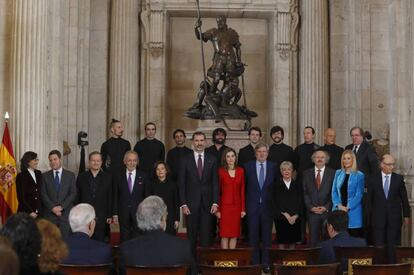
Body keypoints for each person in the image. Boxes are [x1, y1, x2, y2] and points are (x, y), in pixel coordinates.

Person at [120, 196, 196, 275]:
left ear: (139, 218)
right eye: (166, 215)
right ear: (162, 218)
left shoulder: (126, 249)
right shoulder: (183, 247)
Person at [178, 131, 219, 256]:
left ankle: (205, 267)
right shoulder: (185, 160)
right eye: (197, 140)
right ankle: (192, 267)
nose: (199, 143)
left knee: (206, 238)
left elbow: (215, 183)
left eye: (201, 140)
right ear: (192, 142)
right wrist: (183, 204)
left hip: (208, 205)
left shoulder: (212, 159)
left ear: (205, 142)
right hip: (190, 205)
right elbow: (182, 183)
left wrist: (215, 202)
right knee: (191, 237)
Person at [367, 154, 410, 263]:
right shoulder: (373, 179)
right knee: (378, 247)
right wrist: (367, 219)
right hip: (377, 219)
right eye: (388, 164)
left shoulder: (398, 179)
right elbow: (369, 201)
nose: (391, 167)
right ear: (381, 164)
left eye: (393, 164)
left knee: (393, 247)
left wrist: (406, 215)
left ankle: (394, 270)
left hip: (394, 219)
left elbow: (404, 199)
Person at [244, 143, 276, 272]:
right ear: (255, 153)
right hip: (252, 207)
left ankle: (266, 264)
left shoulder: (274, 166)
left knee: (267, 238)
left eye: (264, 151)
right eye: (259, 151)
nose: (262, 154)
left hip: (268, 208)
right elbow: (244, 188)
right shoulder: (247, 166)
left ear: (267, 153)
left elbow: (276, 188)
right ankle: (255, 264)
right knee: (253, 237)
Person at [113, 150, 151, 242]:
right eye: (129, 160)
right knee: (124, 240)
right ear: (124, 161)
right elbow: (115, 196)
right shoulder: (118, 176)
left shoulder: (144, 176)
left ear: (137, 162)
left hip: (139, 214)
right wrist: (115, 213)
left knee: (138, 240)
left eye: (134, 160)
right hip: (123, 213)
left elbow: (147, 197)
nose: (132, 163)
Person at [76, 151, 112, 241]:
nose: (96, 163)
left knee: (101, 241)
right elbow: (77, 196)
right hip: (84, 216)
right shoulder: (81, 177)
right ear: (89, 162)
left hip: (102, 216)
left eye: (98, 161)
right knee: (84, 241)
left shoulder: (108, 177)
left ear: (101, 162)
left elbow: (110, 197)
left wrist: (109, 215)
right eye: (93, 160)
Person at [303, 149, 335, 247]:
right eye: (317, 157)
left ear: (326, 159)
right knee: (313, 241)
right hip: (312, 213)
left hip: (327, 212)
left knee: (327, 240)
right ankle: (313, 262)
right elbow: (305, 193)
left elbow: (334, 193)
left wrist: (326, 207)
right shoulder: (306, 173)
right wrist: (311, 207)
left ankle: (327, 262)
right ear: (313, 159)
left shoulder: (333, 173)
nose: (320, 159)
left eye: (322, 157)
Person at [41, 150, 76, 238]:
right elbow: (43, 194)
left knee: (66, 243)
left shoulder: (70, 175)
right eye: (50, 160)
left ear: (60, 159)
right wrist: (53, 208)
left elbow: (73, 193)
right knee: (50, 244)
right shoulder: (44, 176)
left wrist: (61, 207)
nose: (52, 162)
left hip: (65, 216)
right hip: (50, 216)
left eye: (55, 159)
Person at [216, 148, 245, 249]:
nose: (230, 158)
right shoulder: (220, 171)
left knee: (234, 235)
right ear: (225, 158)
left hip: (237, 207)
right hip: (224, 207)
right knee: (224, 235)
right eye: (228, 156)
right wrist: (218, 210)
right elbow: (218, 192)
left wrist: (243, 209)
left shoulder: (241, 171)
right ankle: (224, 261)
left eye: (232, 156)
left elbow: (242, 191)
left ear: (235, 157)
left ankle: (231, 261)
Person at [331, 150, 365, 237]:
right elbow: (334, 191)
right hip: (338, 211)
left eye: (348, 158)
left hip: (354, 212)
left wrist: (348, 207)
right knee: (338, 241)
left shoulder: (359, 175)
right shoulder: (338, 173)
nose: (346, 161)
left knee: (353, 241)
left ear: (353, 160)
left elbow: (359, 194)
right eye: (344, 158)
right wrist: (339, 205)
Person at [271, 161, 303, 248]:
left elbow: (301, 202)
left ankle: (290, 261)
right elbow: (274, 202)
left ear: (292, 171)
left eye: (289, 169)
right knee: (281, 241)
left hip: (295, 218)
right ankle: (282, 261)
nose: (286, 171)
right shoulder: (275, 186)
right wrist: (285, 215)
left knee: (293, 242)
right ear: (281, 171)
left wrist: (295, 216)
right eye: (284, 169)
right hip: (281, 217)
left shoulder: (298, 185)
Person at [151, 161, 180, 235]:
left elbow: (176, 203)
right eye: (157, 169)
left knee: (170, 240)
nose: (160, 171)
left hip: (170, 216)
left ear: (166, 170)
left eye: (162, 168)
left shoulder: (173, 185)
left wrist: (177, 219)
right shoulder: (151, 185)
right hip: (155, 217)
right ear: (155, 172)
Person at [16, 151, 43, 218]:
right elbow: (21, 197)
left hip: (39, 212)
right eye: (35, 160)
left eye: (37, 160)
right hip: (26, 212)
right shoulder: (21, 176)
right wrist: (30, 211)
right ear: (28, 161)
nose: (37, 162)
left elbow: (40, 192)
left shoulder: (39, 173)